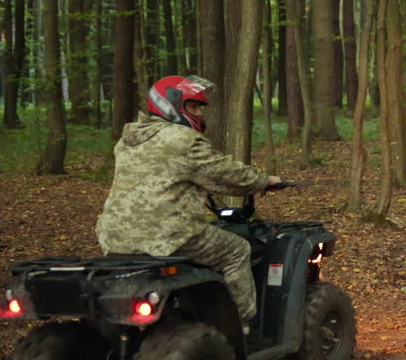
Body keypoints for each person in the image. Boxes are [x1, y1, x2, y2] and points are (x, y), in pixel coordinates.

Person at [96, 75, 280, 328]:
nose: (199, 114)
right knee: (237, 250)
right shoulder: (181, 139)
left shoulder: (128, 140)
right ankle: (238, 325)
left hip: (115, 237)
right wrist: (263, 180)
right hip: (168, 236)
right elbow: (223, 173)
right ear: (172, 105)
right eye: (193, 107)